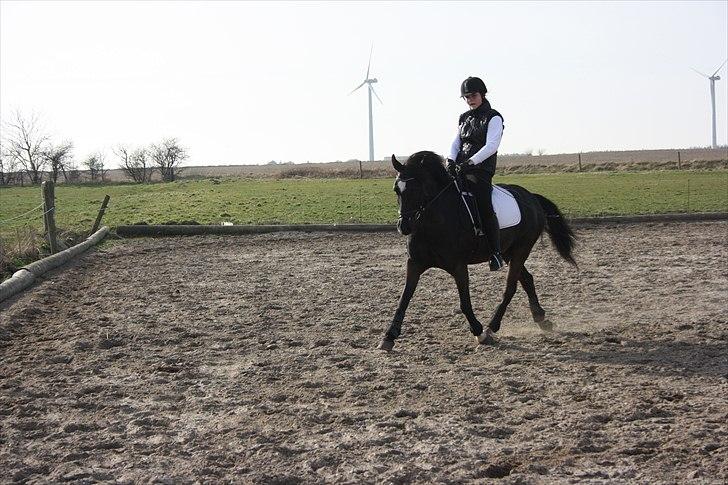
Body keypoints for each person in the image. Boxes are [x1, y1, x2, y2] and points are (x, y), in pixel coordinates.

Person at [446, 76, 506, 271]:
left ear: (482, 94)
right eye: (466, 97)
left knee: (483, 204)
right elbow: (457, 142)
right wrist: (450, 160)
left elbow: (491, 146)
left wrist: (471, 162)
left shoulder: (494, 117)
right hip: (461, 167)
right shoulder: (464, 118)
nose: (470, 99)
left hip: (480, 171)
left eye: (473, 95)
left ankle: (496, 253)